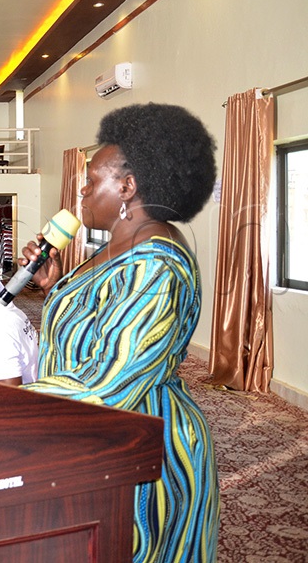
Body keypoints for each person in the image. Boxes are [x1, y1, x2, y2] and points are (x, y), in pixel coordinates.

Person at [19, 103, 219, 561]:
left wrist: (2, 407)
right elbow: (96, 326)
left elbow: (110, 381)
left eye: (91, 181)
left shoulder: (157, 265)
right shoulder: (121, 244)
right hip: (97, 439)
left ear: (128, 187)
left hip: (145, 451)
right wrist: (54, 287)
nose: (82, 193)